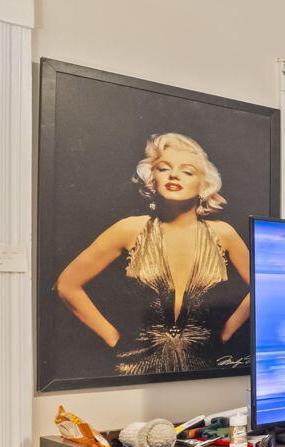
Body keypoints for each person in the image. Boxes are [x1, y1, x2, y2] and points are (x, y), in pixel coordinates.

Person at [55, 132, 253, 375]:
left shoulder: (224, 234)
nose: (174, 175)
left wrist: (227, 332)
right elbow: (67, 284)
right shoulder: (130, 228)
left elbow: (263, 286)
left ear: (204, 185)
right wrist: (112, 337)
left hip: (205, 366)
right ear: (152, 179)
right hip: (135, 369)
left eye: (187, 171)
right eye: (163, 168)